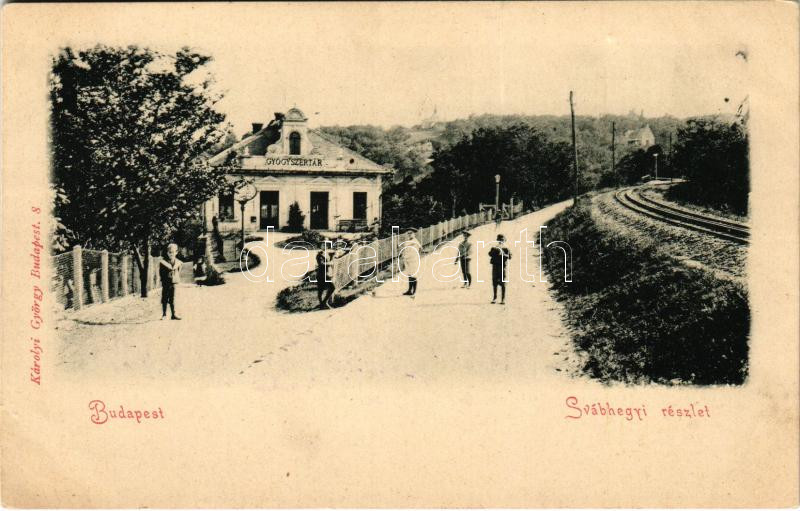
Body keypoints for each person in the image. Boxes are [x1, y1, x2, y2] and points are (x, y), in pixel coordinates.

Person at [159, 243, 183, 320]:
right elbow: (161, 273)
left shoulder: (178, 263)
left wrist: (175, 278)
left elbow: (178, 271)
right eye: (170, 252)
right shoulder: (163, 262)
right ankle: (164, 314)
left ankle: (173, 314)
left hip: (174, 283)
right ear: (167, 253)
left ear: (176, 252)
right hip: (166, 282)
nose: (171, 254)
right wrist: (167, 277)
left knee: (173, 298)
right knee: (165, 298)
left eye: (173, 252)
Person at [488, 234, 511, 304]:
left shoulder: (506, 248)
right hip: (495, 266)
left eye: (502, 240)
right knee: (494, 281)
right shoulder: (495, 247)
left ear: (504, 241)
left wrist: (503, 254)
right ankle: (494, 298)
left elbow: (509, 257)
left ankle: (503, 299)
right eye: (499, 240)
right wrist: (495, 251)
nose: (501, 241)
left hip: (502, 266)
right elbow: (489, 254)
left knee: (502, 282)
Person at [400, 228, 422, 297]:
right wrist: (404, 257)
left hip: (413, 260)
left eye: (411, 233)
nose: (409, 234)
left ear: (414, 234)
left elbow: (418, 250)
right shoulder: (407, 241)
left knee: (413, 275)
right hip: (407, 260)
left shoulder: (415, 241)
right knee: (409, 274)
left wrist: (415, 256)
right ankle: (409, 290)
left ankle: (414, 292)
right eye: (408, 233)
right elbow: (405, 250)